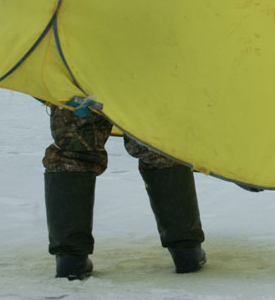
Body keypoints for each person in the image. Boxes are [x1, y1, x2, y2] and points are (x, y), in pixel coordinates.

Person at [42, 105, 206, 280]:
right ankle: (186, 251)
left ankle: (70, 260)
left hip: (80, 82)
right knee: (160, 150)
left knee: (73, 152)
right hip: (142, 82)